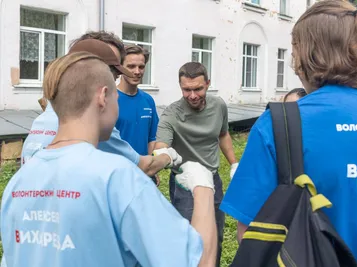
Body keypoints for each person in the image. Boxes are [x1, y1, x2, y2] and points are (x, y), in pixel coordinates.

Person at [220, 1, 357, 267]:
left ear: (308, 55)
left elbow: (252, 234)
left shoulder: (282, 123)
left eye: (295, 51)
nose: (294, 64)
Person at [1, 51, 217, 267]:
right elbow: (199, 262)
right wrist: (203, 186)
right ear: (103, 97)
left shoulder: (18, 182)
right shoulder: (119, 178)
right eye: (116, 97)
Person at [21, 32, 180, 177]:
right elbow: (143, 167)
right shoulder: (89, 121)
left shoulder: (47, 116)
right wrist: (167, 156)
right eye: (112, 71)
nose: (114, 85)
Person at [155, 62, 238, 267]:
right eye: (187, 89)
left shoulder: (218, 105)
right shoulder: (171, 114)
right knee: (188, 239)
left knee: (214, 237)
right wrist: (164, 154)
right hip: (184, 184)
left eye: (198, 89)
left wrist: (234, 163)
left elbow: (223, 134)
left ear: (207, 84)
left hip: (213, 181)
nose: (192, 95)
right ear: (180, 87)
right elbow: (160, 146)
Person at [115, 44, 160, 184]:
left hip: (143, 174)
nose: (137, 71)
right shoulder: (110, 100)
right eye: (131, 66)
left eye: (141, 67)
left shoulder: (148, 100)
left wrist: (152, 167)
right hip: (118, 175)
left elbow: (152, 138)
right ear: (120, 68)